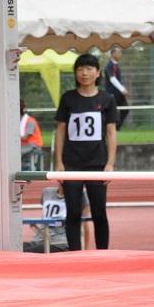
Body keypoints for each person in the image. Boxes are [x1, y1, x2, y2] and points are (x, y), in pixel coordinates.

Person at [54, 53, 117, 251]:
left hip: (97, 163)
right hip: (71, 163)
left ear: (98, 73)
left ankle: (102, 253)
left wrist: (110, 164)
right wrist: (58, 163)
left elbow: (111, 133)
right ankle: (74, 253)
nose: (84, 73)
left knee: (99, 212)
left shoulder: (107, 99)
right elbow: (61, 131)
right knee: (73, 212)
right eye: (80, 69)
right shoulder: (68, 98)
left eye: (89, 69)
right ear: (75, 73)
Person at [23, 184, 93, 253]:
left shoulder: (81, 195)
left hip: (60, 243)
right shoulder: (47, 192)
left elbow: (84, 224)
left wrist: (85, 251)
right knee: (15, 248)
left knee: (26, 251)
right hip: (39, 239)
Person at [104, 47, 131, 130]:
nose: (120, 54)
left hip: (119, 94)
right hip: (112, 94)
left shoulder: (116, 66)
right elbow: (112, 79)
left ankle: (116, 127)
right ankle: (109, 128)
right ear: (113, 54)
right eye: (118, 52)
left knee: (125, 109)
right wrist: (122, 89)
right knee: (111, 112)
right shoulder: (109, 66)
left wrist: (123, 89)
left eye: (120, 52)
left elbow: (117, 79)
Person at [20, 99, 44, 170]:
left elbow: (25, 137)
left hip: (33, 145)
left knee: (14, 151)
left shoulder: (30, 121)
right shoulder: (19, 121)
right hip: (25, 145)